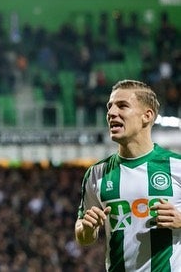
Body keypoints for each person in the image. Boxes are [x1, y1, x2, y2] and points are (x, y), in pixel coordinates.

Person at [75, 79, 181, 271]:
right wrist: (88, 229)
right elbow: (83, 236)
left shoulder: (176, 166)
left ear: (147, 116)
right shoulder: (96, 174)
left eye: (122, 106)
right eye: (110, 107)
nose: (111, 113)